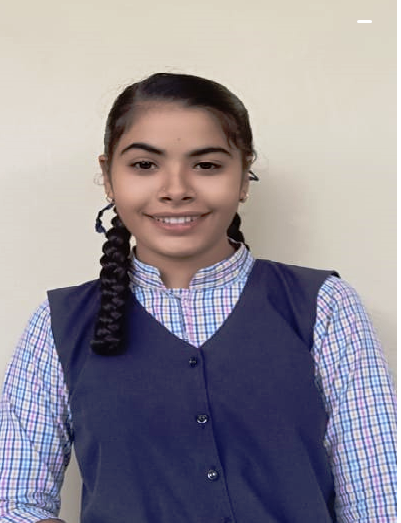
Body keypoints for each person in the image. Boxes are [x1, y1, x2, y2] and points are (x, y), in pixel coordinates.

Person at [0, 72, 396, 523]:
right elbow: (13, 502)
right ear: (108, 177)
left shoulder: (324, 305)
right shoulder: (58, 324)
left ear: (244, 176)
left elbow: (379, 499)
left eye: (207, 165)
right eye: (144, 165)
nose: (176, 189)